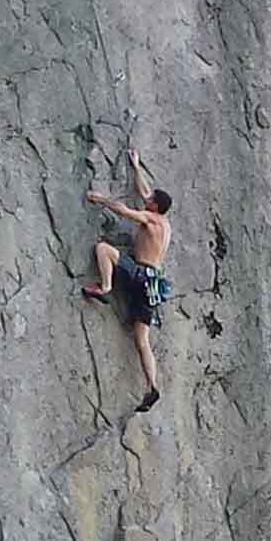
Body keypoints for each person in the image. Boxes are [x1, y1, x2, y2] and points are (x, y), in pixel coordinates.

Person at [82, 149, 175, 411]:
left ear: (156, 206)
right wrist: (135, 166)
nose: (146, 200)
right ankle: (152, 386)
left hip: (140, 274)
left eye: (150, 200)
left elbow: (124, 211)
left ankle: (106, 285)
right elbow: (146, 192)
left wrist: (99, 198)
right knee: (142, 340)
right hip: (154, 284)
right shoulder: (165, 224)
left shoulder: (150, 219)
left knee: (103, 249)